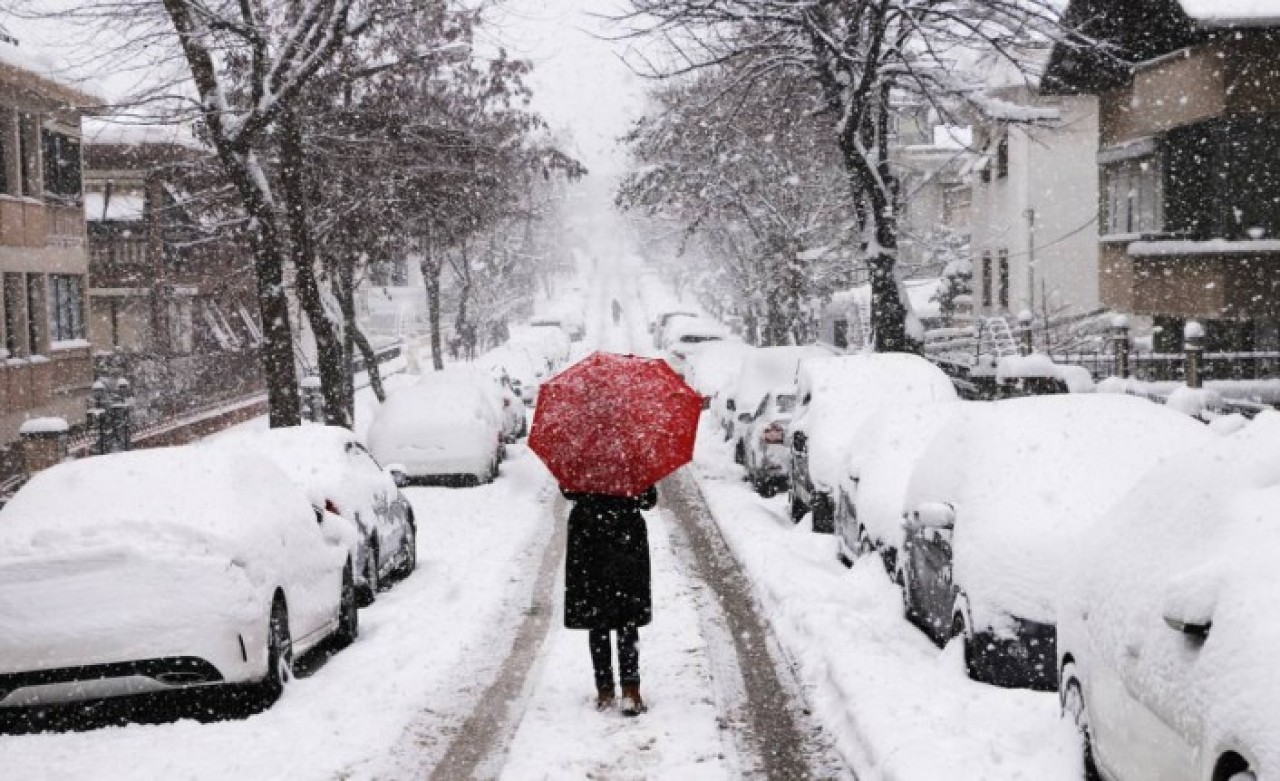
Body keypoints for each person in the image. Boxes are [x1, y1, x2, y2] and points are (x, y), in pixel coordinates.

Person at [562, 485, 658, 715]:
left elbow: (568, 490)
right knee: (626, 618)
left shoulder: (581, 457)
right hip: (625, 540)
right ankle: (630, 688)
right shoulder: (632, 459)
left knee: (599, 620)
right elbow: (648, 500)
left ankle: (605, 689)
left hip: (589, 540)